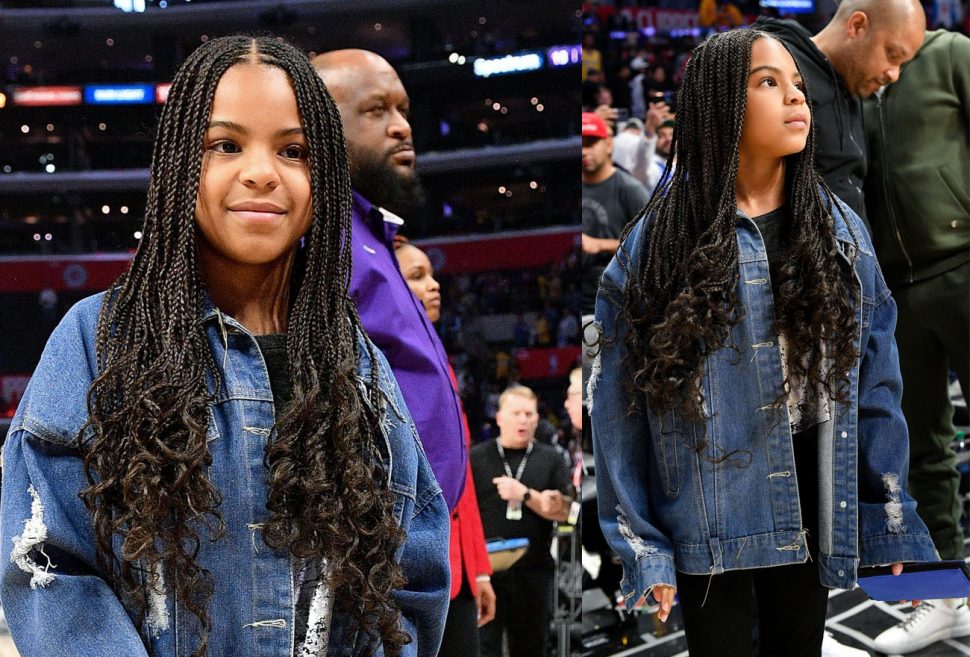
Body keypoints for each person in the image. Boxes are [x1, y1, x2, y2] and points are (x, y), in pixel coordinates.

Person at [0, 36, 450, 657]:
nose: (261, 172)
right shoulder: (95, 339)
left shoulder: (358, 362)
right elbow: (48, 563)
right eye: (225, 145)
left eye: (293, 151)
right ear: (180, 164)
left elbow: (410, 574)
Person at [589, 29, 937, 657]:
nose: (796, 97)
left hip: (813, 496)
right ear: (720, 101)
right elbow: (618, 408)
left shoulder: (839, 231)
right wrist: (643, 547)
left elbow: (876, 385)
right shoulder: (655, 245)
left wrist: (891, 518)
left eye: (797, 84)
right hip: (705, 515)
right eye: (768, 83)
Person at [312, 49, 466, 512]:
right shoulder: (319, 235)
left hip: (412, 522)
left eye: (403, 109)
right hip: (373, 525)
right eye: (376, 110)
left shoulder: (368, 232)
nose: (402, 127)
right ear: (318, 125)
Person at [864, 28, 970, 654]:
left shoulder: (950, 53)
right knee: (920, 452)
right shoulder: (852, 79)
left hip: (963, 263)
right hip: (896, 288)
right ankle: (945, 599)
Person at [394, 239, 497, 657]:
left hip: (458, 568)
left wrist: (479, 569)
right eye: (417, 277)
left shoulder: (440, 363)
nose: (434, 285)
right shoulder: (379, 365)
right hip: (410, 568)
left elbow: (461, 481)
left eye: (432, 274)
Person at [754, 0, 926, 231]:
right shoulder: (791, 75)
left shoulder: (852, 82)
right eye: (891, 54)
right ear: (857, 26)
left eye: (901, 64)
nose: (894, 75)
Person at [471, 386, 574, 657]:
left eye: (529, 414)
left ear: (537, 419)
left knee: (532, 648)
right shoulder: (476, 457)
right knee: (484, 648)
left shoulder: (551, 458)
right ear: (499, 417)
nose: (523, 420)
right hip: (486, 573)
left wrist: (525, 495)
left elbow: (569, 513)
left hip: (533, 572)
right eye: (516, 413)